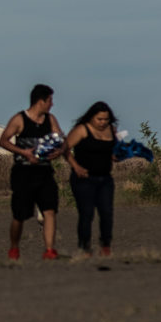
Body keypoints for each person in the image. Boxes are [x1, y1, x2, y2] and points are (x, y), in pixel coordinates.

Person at [0, 84, 65, 260]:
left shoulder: (50, 120)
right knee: (20, 215)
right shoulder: (19, 120)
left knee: (49, 210)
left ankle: (49, 249)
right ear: (40, 101)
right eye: (50, 100)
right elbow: (3, 140)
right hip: (23, 173)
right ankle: (14, 247)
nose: (52, 104)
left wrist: (57, 152)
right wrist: (23, 153)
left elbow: (60, 140)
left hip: (44, 172)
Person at [65, 101, 119, 256]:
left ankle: (105, 245)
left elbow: (113, 154)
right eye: (99, 119)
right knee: (87, 212)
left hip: (105, 178)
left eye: (105, 119)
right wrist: (75, 166)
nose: (102, 123)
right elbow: (65, 148)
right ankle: (84, 246)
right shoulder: (82, 130)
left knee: (107, 212)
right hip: (84, 179)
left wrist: (119, 155)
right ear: (91, 117)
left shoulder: (111, 131)